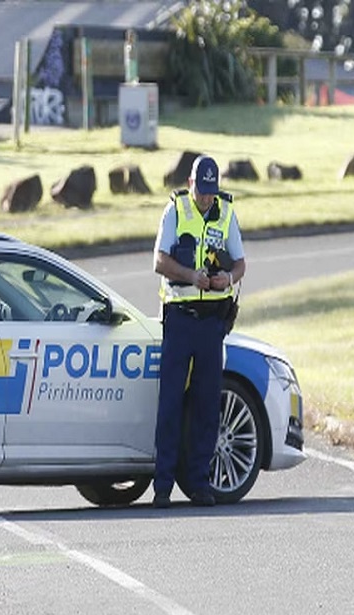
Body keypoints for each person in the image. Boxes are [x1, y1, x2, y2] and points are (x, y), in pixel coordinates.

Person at [151, 155, 246, 508]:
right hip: (180, 317)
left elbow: (241, 262)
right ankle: (162, 486)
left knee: (207, 405)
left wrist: (228, 278)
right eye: (201, 191)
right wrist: (192, 276)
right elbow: (159, 261)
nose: (206, 198)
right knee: (171, 402)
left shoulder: (226, 212)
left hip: (212, 323)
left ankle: (199, 484)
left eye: (211, 192)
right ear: (191, 184)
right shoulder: (175, 210)